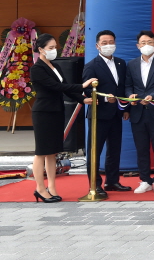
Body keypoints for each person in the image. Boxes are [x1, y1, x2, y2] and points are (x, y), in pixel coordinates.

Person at [30, 34, 96, 202]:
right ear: (41, 49)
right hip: (43, 113)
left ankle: (52, 187)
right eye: (50, 48)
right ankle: (40, 188)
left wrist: (83, 99)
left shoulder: (55, 66)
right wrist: (82, 86)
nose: (54, 50)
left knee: (52, 152)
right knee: (42, 152)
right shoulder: (37, 69)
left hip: (57, 112)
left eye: (55, 47)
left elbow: (66, 88)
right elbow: (56, 86)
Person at [81, 29, 130, 195]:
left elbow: (123, 87)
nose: (108, 45)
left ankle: (112, 181)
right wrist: (104, 99)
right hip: (98, 115)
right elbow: (87, 91)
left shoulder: (121, 64)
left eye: (111, 42)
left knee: (114, 149)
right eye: (104, 43)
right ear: (97, 46)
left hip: (116, 113)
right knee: (95, 151)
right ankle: (95, 185)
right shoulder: (91, 66)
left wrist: (125, 108)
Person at [125, 30, 154, 195]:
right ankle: (145, 180)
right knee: (141, 148)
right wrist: (130, 95)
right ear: (138, 45)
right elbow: (128, 85)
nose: (146, 45)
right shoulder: (131, 64)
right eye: (143, 43)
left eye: (150, 42)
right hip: (137, 112)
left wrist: (153, 96)